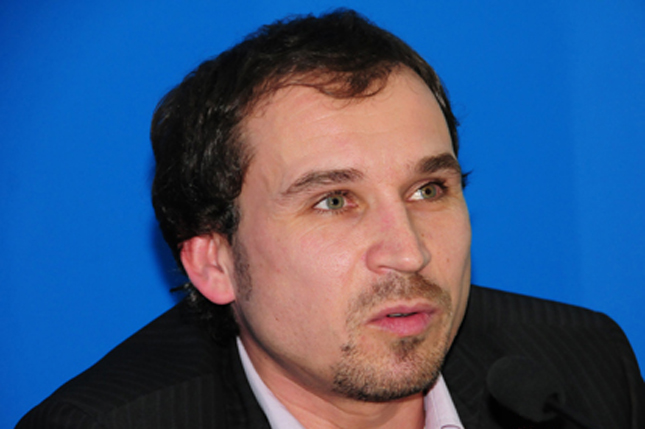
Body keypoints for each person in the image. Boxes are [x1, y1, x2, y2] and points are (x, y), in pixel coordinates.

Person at [17, 9, 644, 429]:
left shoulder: (581, 369)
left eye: (428, 189)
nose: (409, 252)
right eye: (335, 201)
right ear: (215, 263)